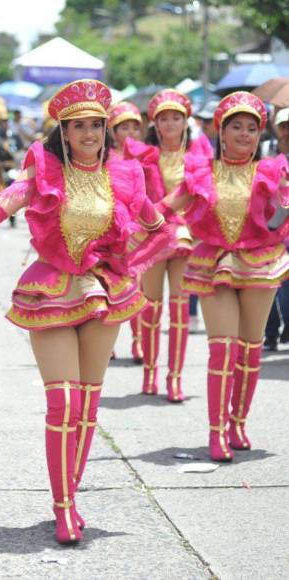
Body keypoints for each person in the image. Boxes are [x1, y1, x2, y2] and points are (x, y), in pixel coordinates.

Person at [0, 79, 167, 545]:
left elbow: (160, 231)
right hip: (50, 291)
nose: (88, 134)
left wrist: (130, 265)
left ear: (107, 129)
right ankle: (62, 508)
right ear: (63, 133)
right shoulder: (41, 171)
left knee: (87, 404)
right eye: (78, 126)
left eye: (95, 125)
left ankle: (73, 497)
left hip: (104, 291)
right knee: (62, 401)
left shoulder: (126, 175)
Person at [162, 92, 288, 462]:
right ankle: (216, 433)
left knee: (250, 351)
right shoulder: (203, 171)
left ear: (260, 133)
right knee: (223, 348)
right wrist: (123, 220)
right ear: (222, 129)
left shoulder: (273, 171)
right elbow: (167, 206)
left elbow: (281, 211)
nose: (245, 134)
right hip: (212, 263)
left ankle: (238, 422)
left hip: (260, 263)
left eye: (252, 128)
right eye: (237, 126)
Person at [125, 89, 212, 402]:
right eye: (165, 118)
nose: (171, 123)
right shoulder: (142, 155)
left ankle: (174, 378)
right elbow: (133, 195)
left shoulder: (201, 156)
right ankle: (150, 372)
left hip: (188, 237)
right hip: (153, 236)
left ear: (186, 121)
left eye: (177, 117)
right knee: (150, 307)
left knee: (179, 310)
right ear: (155, 123)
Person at [108, 102, 144, 362]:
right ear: (113, 130)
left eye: (135, 127)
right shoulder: (103, 158)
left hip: (139, 231)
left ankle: (138, 341)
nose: (130, 132)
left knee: (137, 287)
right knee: (109, 287)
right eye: (124, 127)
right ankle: (105, 340)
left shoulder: (147, 157)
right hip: (111, 233)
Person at [264, 107, 289, 350]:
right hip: (268, 228)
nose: (287, 131)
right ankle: (270, 333)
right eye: (283, 126)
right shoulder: (264, 150)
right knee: (268, 283)